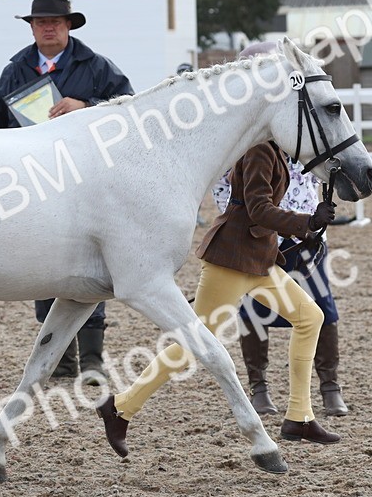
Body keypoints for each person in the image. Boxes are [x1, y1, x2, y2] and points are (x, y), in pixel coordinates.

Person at [96, 140, 341, 458]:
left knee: (310, 317)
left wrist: (308, 227)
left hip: (257, 258)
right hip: (232, 258)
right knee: (191, 345)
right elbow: (258, 209)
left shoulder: (275, 149)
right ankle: (121, 406)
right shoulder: (259, 150)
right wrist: (306, 221)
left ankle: (299, 416)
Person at [0, 0, 134, 380]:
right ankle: (61, 360)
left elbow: (129, 108)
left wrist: (87, 106)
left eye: (55, 21)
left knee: (88, 264)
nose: (48, 28)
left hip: (87, 182)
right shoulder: (14, 71)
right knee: (41, 264)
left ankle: (93, 359)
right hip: (33, 183)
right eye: (40, 22)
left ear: (68, 25)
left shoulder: (98, 66)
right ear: (32, 28)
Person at [220, 159, 349, 417]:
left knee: (322, 307)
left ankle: (330, 386)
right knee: (254, 310)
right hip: (260, 238)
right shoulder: (250, 147)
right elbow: (223, 184)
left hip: (309, 234)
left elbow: (326, 170)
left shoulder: (305, 143)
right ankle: (258, 387)